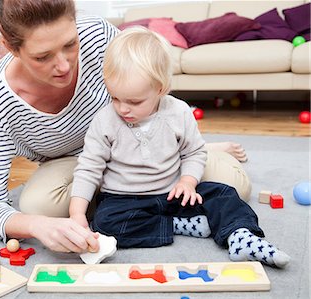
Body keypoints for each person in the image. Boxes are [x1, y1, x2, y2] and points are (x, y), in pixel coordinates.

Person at [0, 0, 250, 254]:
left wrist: (185, 170)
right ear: (11, 48)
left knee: (234, 185)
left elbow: (148, 81)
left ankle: (188, 150)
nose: (63, 65)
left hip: (131, 135)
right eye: (43, 57)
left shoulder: (96, 34)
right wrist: (37, 226)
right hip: (74, 162)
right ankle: (130, 196)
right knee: (37, 206)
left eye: (70, 44)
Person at [69, 27, 290, 268]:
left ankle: (241, 237)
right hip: (124, 200)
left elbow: (194, 152)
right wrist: (77, 214)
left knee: (224, 194)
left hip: (174, 192)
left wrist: (188, 181)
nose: (122, 109)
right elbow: (89, 167)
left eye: (134, 101)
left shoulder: (179, 112)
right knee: (104, 222)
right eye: (114, 98)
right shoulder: (104, 121)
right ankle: (179, 225)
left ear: (161, 89)